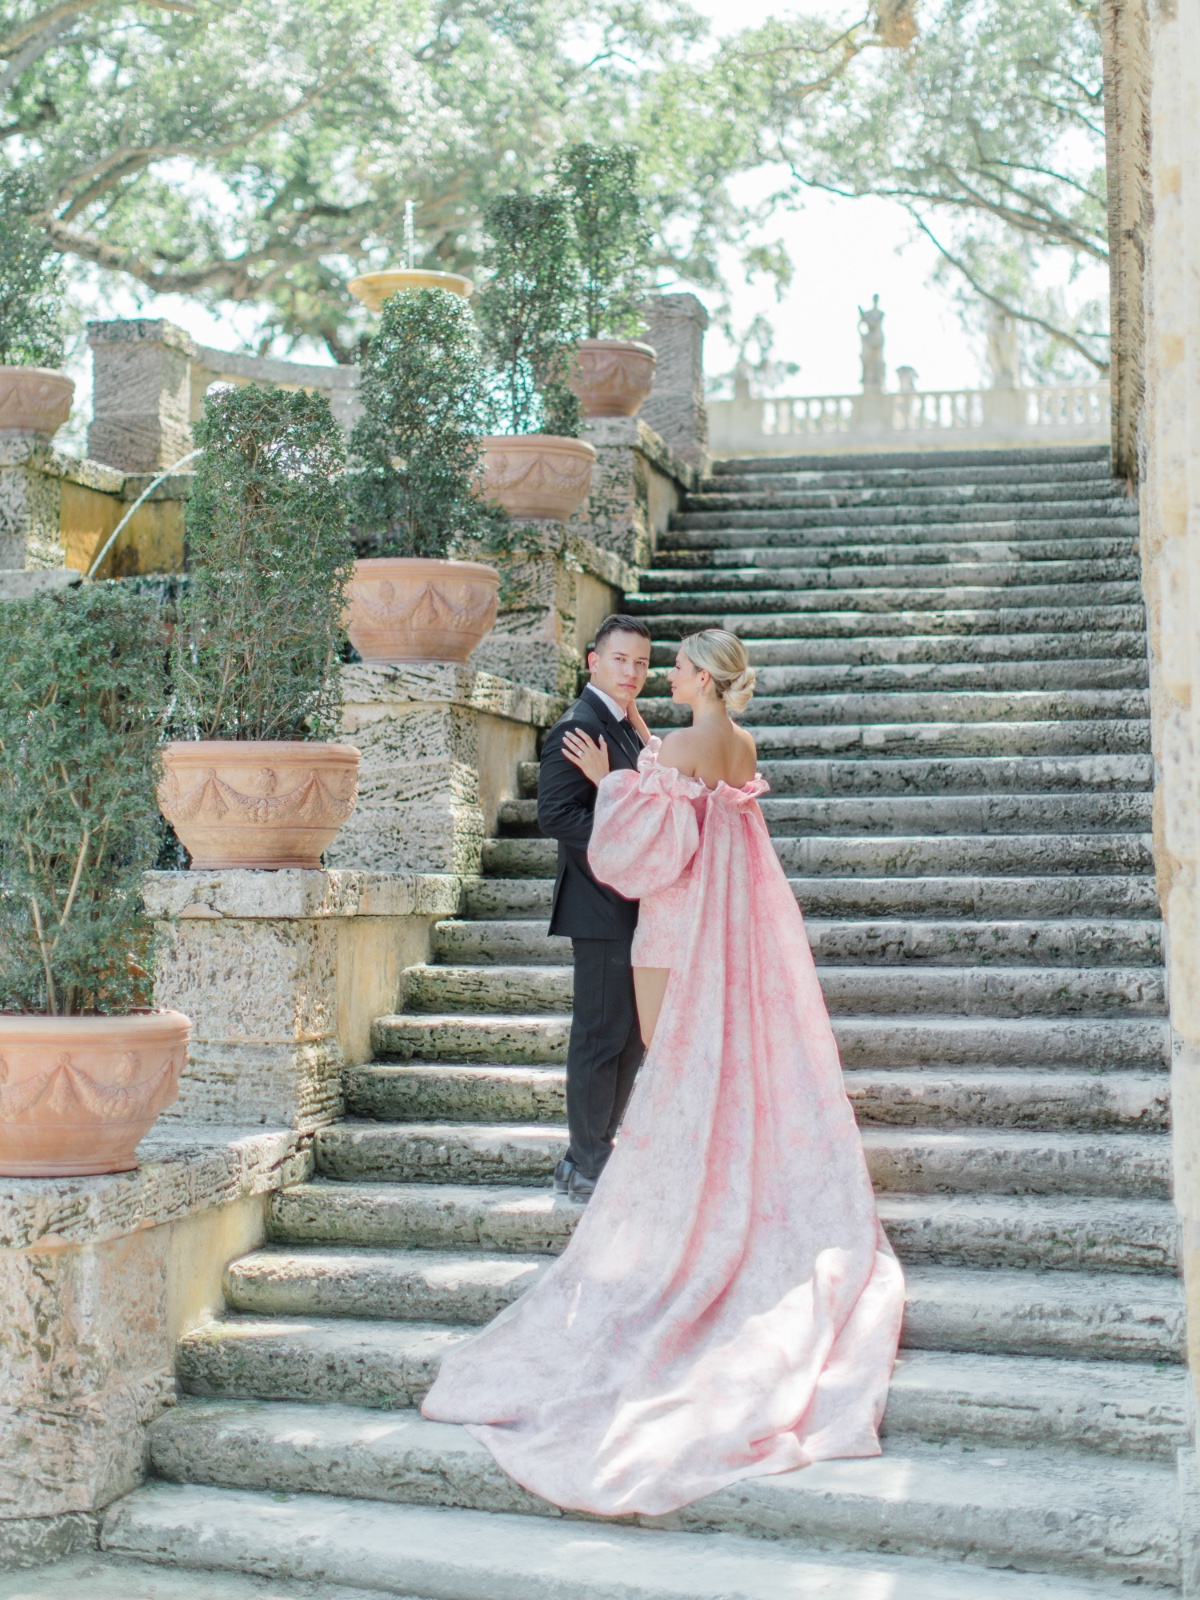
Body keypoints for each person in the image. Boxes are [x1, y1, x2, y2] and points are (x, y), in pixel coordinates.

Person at [422, 628, 905, 1519]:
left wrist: (617, 784)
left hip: (677, 927)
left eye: (674, 665)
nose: (660, 674)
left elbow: (644, 854)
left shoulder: (674, 747)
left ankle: (678, 1204)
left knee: (670, 1076)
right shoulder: (736, 744)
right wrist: (638, 767)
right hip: (726, 929)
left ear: (703, 679)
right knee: (697, 1068)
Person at [533, 613, 652, 1204]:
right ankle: (584, 1162)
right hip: (599, 904)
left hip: (631, 903)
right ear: (593, 662)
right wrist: (627, 837)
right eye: (621, 659)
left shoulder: (623, 722)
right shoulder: (579, 728)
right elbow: (555, 815)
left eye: (642, 663)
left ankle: (593, 1150)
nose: (631, 671)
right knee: (600, 1036)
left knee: (628, 1037)